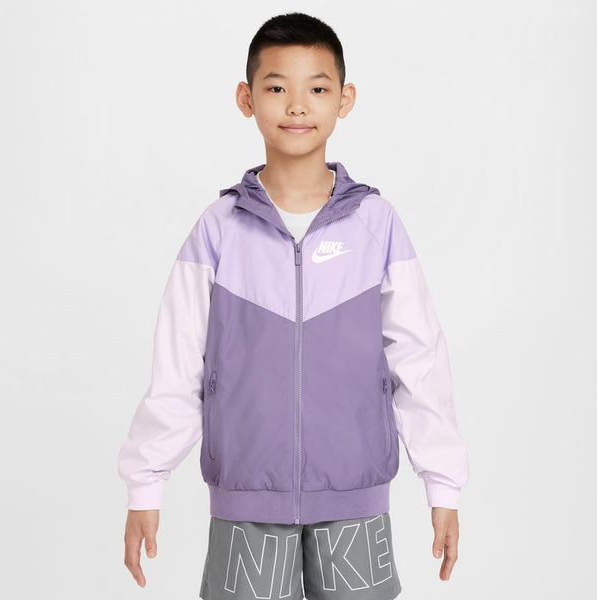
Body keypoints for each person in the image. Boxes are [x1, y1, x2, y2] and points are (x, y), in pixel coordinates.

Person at [118, 12, 470, 598]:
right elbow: (177, 366)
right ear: (246, 98)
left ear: (344, 99)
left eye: (318, 89)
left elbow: (419, 359)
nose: (298, 106)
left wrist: (443, 483)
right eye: (277, 87)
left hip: (355, 498)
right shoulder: (219, 229)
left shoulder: (376, 225)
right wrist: (145, 484)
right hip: (246, 501)